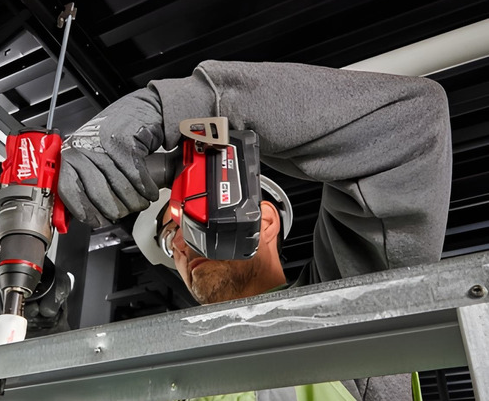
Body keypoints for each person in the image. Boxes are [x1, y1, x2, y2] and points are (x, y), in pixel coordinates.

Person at [57, 61, 451, 400]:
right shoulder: (171, 370)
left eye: (190, 215)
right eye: (167, 236)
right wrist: (50, 341)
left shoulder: (348, 315)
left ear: (264, 220)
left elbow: (412, 125)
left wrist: (181, 108)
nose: (178, 244)